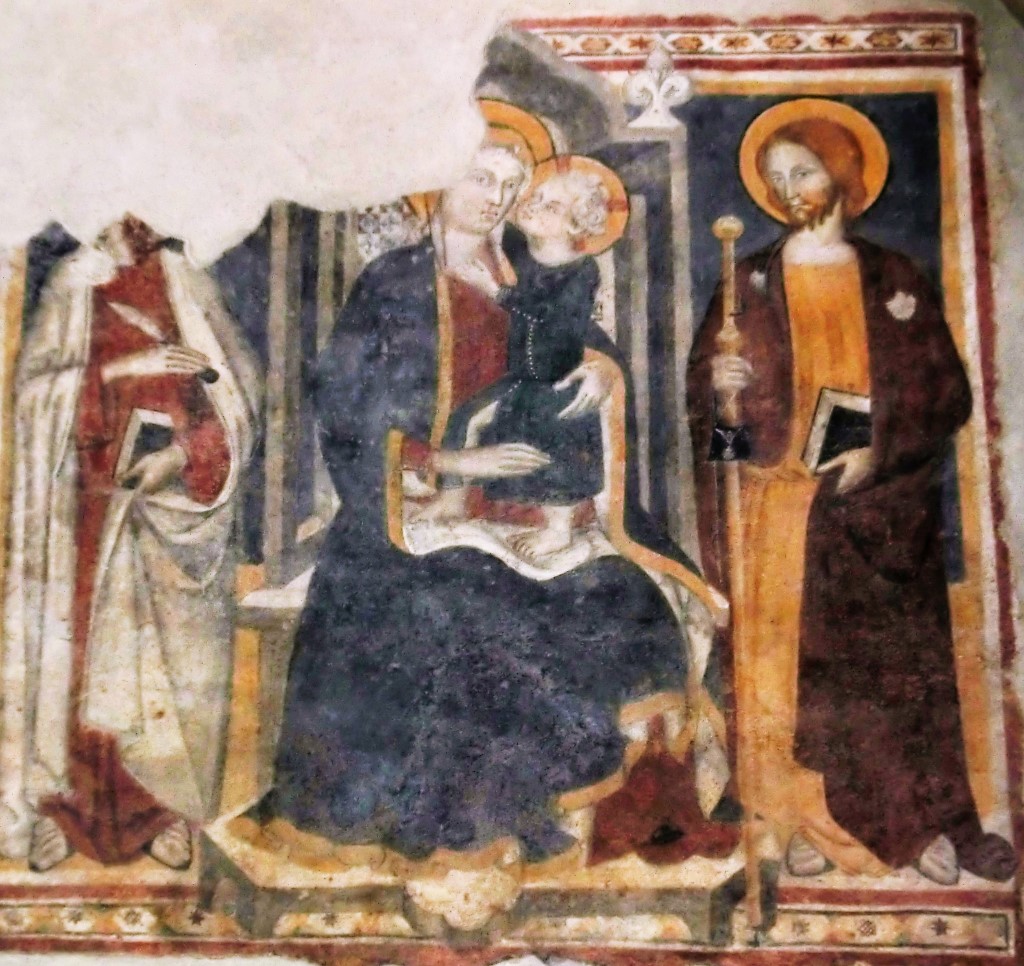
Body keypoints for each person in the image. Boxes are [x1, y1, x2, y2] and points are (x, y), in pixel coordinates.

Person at [258, 100, 733, 872]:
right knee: (468, 602)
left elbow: (576, 353)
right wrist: (453, 464)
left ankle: (587, 807)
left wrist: (603, 372)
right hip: (410, 508)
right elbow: (343, 407)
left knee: (632, 600)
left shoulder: (527, 272)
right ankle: (472, 818)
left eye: (510, 186)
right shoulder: (394, 282)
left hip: (533, 502)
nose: (495, 197)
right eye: (480, 178)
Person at [687, 98, 1015, 884]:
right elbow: (716, 431)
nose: (788, 189)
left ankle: (905, 826)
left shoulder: (893, 277)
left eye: (802, 170)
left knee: (883, 673)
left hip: (878, 509)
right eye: (775, 177)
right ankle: (804, 816)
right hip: (776, 507)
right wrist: (718, 392)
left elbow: (947, 395)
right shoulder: (746, 281)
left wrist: (880, 449)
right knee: (784, 670)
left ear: (841, 171)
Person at [0, 215, 262, 871]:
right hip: (86, 507)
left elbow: (238, 405)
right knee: (82, 657)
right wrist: (124, 367)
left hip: (172, 508)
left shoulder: (188, 282)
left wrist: (182, 454)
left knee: (166, 664)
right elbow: (31, 400)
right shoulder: (73, 283)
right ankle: (69, 812)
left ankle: (160, 810)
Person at [429, 155, 629, 560]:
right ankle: (451, 500)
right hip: (520, 377)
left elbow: (555, 326)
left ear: (575, 225)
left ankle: (559, 529)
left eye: (550, 207)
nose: (533, 208)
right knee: (466, 418)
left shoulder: (581, 272)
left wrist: (498, 293)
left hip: (559, 380)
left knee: (556, 440)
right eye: (535, 199)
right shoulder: (520, 251)